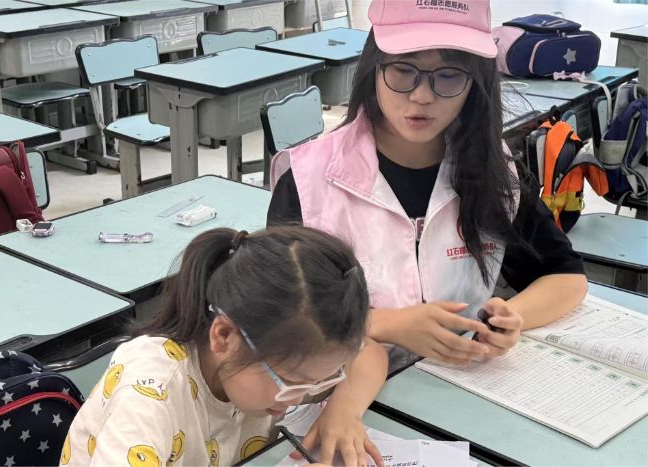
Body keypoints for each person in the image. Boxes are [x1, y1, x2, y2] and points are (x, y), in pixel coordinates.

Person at [268, 0, 587, 431]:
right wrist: (386, 324)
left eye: (449, 75)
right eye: (403, 70)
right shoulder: (309, 180)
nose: (422, 96)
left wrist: (509, 319)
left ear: (475, 83)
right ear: (373, 68)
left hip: (453, 399)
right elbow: (281, 313)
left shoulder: (493, 171)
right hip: (337, 406)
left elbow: (565, 276)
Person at [60, 226, 387, 467]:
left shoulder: (269, 357)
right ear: (225, 336)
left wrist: (343, 410)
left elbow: (369, 353)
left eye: (318, 382)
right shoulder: (150, 395)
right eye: (291, 382)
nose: (298, 399)